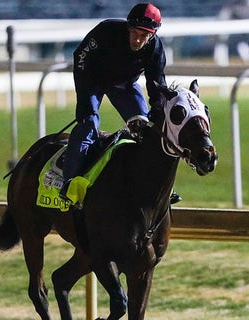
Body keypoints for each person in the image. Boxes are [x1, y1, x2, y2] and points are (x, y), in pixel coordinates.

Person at [60, 3, 180, 203]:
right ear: (128, 27)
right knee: (88, 124)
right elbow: (80, 56)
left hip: (124, 85)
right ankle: (69, 183)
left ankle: (160, 188)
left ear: (153, 35)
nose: (138, 39)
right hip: (92, 81)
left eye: (145, 36)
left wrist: (157, 112)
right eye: (135, 33)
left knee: (147, 129)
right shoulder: (106, 30)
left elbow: (156, 85)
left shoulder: (155, 49)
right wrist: (85, 99)